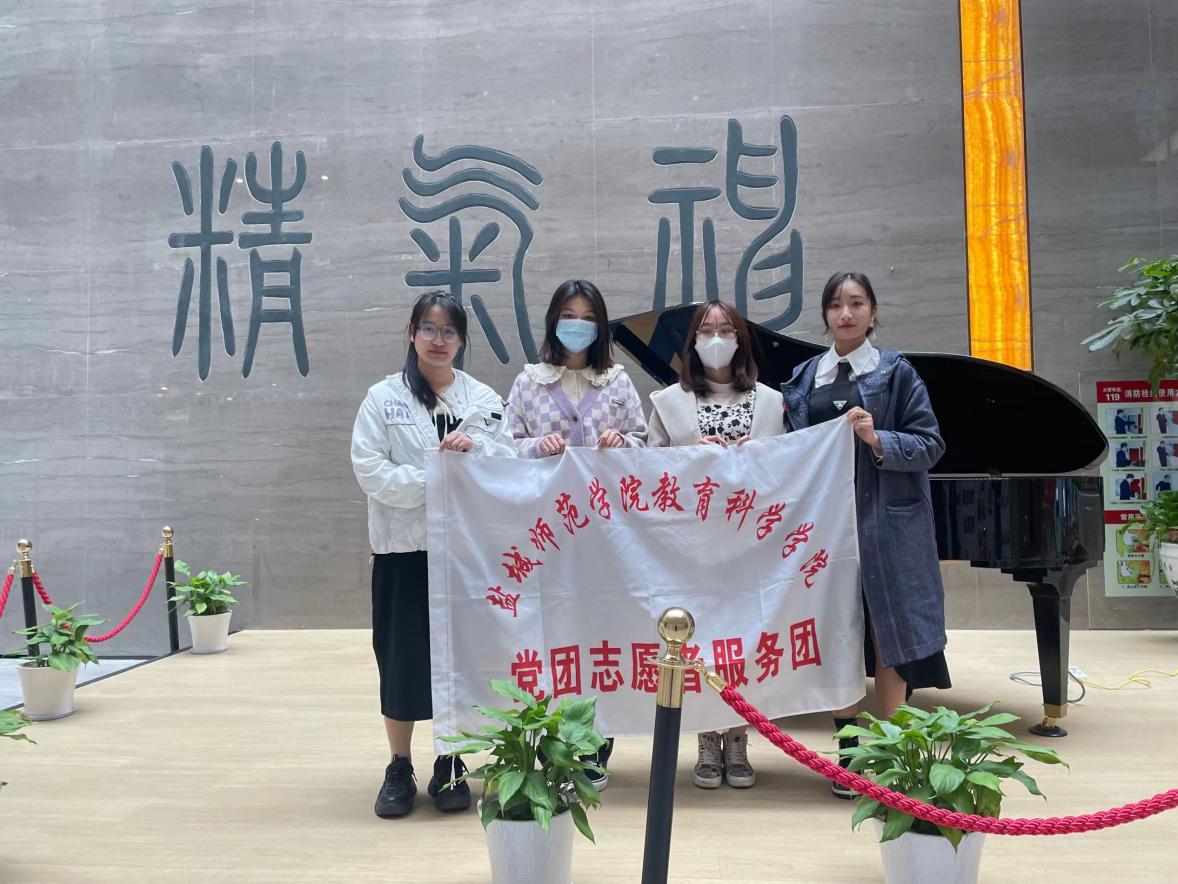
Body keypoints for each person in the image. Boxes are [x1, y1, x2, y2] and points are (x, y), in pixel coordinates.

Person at [780, 271, 950, 800]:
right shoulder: (805, 377)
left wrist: (878, 439)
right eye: (836, 304)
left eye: (856, 303)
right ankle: (850, 753)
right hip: (825, 527)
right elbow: (789, 450)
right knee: (835, 631)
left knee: (887, 632)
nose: (846, 313)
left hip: (887, 525)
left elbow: (930, 445)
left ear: (873, 313)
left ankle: (895, 753)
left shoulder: (896, 373)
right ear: (825, 315)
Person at [351, 290, 515, 819]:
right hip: (402, 551)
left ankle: (451, 760)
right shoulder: (383, 398)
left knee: (458, 661)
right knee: (400, 660)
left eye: (449, 331)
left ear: (462, 340)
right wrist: (437, 476)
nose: (438, 340)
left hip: (465, 553)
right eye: (428, 328)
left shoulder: (482, 399)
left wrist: (475, 452)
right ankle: (399, 765)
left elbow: (508, 460)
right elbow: (370, 470)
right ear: (411, 333)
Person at [506, 278, 648, 789]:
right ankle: (554, 743)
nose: (578, 325)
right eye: (569, 315)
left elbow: (644, 443)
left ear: (601, 326)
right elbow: (505, 446)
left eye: (589, 318)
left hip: (605, 535)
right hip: (549, 534)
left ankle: (597, 744)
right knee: (557, 634)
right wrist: (534, 449)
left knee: (603, 636)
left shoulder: (617, 382)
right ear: (553, 321)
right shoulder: (528, 383)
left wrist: (622, 442)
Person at [647, 300, 785, 790]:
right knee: (701, 638)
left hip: (750, 545)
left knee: (743, 640)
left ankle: (739, 736)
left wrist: (756, 456)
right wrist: (689, 456)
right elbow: (648, 470)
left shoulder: (771, 401)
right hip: (692, 545)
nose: (717, 339)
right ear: (693, 342)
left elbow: (787, 468)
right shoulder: (669, 402)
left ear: (741, 340)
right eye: (706, 331)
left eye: (727, 330)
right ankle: (707, 737)